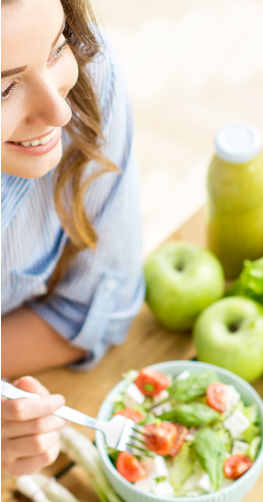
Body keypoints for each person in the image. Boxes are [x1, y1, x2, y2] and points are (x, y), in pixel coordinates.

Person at [1, 0, 145, 475]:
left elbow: (96, 309)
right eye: (3, 90)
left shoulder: (87, 75)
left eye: (57, 45)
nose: (60, 112)